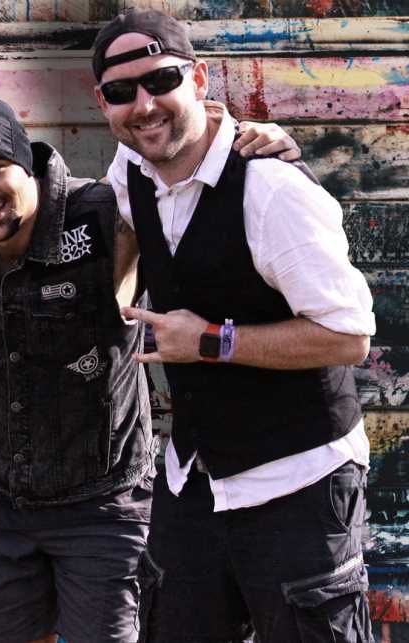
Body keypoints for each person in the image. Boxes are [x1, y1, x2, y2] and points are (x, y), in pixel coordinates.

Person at [93, 9, 375, 642]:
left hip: (298, 476)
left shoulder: (271, 189)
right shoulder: (130, 164)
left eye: (161, 80)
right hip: (195, 474)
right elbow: (122, 232)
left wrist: (211, 341)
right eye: (122, 91)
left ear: (198, 79)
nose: (144, 105)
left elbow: (351, 335)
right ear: (102, 102)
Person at [0, 88, 153, 643]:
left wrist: (250, 138)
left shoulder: (106, 215)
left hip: (102, 501)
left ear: (26, 163)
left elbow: (187, 176)